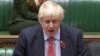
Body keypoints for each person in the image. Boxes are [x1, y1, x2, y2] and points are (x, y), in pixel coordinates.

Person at [12, 1, 87, 56]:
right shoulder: (27, 36)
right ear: (40, 21)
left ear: (60, 21)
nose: (51, 26)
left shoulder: (75, 35)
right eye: (47, 22)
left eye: (54, 21)